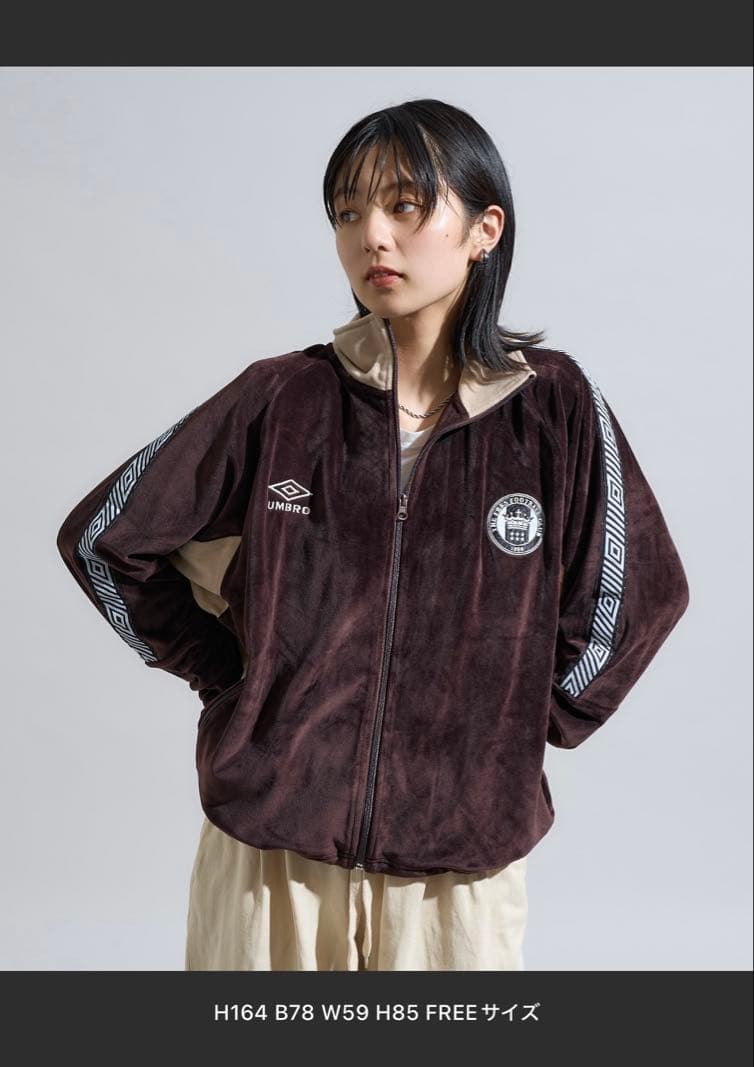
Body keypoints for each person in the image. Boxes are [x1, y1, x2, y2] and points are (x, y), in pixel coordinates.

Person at [56, 98, 690, 971]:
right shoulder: (283, 398)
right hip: (272, 850)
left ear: (485, 229)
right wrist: (228, 678)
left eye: (405, 206)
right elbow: (104, 540)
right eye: (348, 213)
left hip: (457, 861)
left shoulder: (553, 407)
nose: (372, 237)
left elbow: (642, 593)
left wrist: (511, 726)